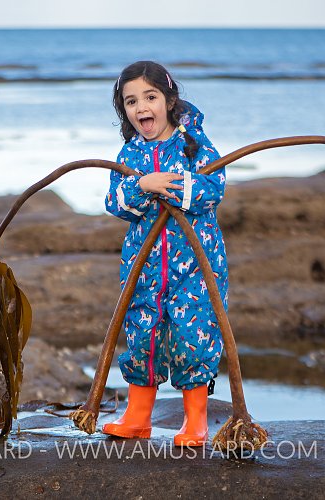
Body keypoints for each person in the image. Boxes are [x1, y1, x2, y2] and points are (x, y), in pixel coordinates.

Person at [103, 61, 228, 447]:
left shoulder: (195, 145)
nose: (141, 107)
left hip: (195, 262)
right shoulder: (130, 153)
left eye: (150, 97)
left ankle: (196, 422)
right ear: (124, 111)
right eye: (131, 101)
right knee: (143, 334)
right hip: (142, 265)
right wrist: (143, 185)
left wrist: (173, 186)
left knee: (193, 333)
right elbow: (115, 201)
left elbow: (215, 186)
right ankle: (138, 417)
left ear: (170, 101)